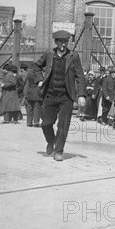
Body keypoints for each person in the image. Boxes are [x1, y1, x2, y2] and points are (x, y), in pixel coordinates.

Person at [33, 29, 86, 162]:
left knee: (63, 126)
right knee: (46, 123)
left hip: (66, 97)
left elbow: (80, 76)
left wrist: (81, 95)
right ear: (56, 42)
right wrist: (39, 80)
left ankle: (59, 151)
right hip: (49, 95)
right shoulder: (49, 54)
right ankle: (51, 141)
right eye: (61, 41)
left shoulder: (73, 56)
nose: (63, 44)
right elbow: (36, 67)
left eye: (66, 42)